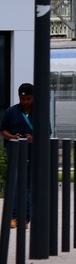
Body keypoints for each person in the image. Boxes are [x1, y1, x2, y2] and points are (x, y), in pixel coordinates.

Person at [2, 83, 34, 228]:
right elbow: (3, 131)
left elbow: (47, 131)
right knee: (14, 184)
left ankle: (26, 218)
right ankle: (13, 216)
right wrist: (13, 137)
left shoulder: (40, 111)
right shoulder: (11, 112)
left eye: (28, 99)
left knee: (28, 185)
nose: (25, 102)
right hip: (15, 152)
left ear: (33, 97)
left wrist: (33, 139)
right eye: (22, 99)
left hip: (32, 153)